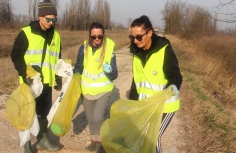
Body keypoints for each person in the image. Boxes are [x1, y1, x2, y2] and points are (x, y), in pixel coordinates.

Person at [11, 0, 62, 153]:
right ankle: (27, 146)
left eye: (53, 20)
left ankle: (43, 141)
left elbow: (57, 57)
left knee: (44, 113)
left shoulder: (56, 36)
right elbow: (15, 55)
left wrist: (58, 76)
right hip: (30, 83)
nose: (51, 22)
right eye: (48, 19)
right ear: (40, 16)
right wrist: (23, 71)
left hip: (46, 82)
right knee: (27, 114)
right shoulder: (26, 33)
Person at [128, 15, 182, 153]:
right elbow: (136, 81)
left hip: (165, 106)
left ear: (150, 33)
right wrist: (132, 105)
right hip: (147, 106)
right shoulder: (136, 53)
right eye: (132, 37)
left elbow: (175, 75)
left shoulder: (164, 50)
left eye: (139, 37)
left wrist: (173, 85)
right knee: (141, 137)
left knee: (153, 136)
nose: (135, 41)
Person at [73, 22, 118, 153]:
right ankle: (94, 141)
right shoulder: (83, 48)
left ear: (103, 35)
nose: (97, 39)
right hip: (86, 90)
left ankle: (102, 143)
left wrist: (110, 70)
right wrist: (74, 77)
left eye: (100, 36)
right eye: (94, 37)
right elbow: (78, 67)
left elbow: (115, 74)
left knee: (98, 118)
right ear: (89, 36)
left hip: (103, 91)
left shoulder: (109, 49)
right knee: (90, 119)